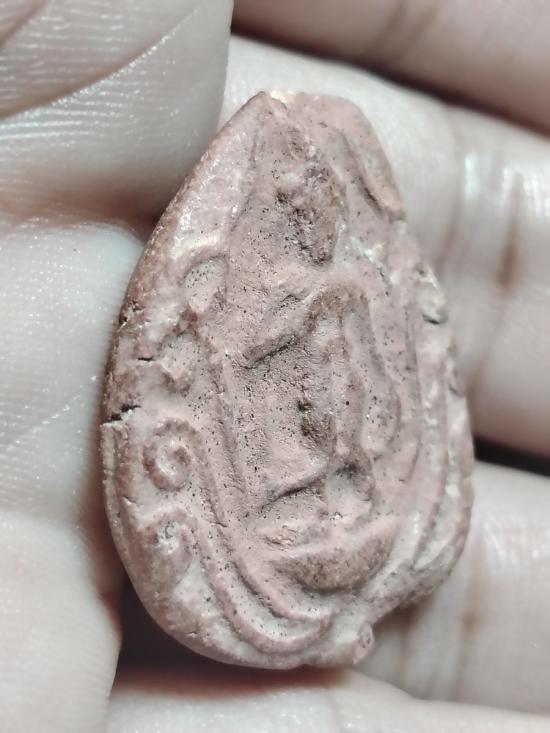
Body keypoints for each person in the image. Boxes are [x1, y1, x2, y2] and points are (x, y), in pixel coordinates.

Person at [1, 2, 548, 731]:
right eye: (305, 212)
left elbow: (365, 335)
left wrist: (368, 383)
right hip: (312, 393)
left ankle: (345, 506)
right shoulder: (295, 285)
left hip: (344, 387)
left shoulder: (344, 280)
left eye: (318, 212)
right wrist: (238, 351)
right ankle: (318, 511)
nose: (314, 226)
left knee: (347, 452)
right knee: (321, 454)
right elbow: (274, 334)